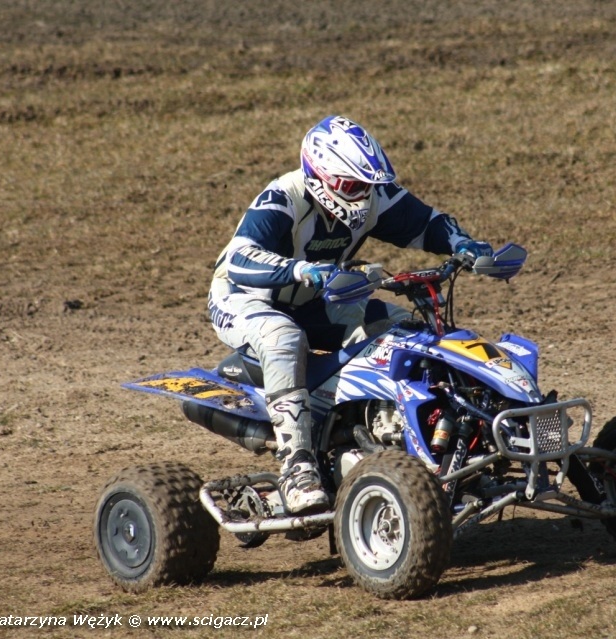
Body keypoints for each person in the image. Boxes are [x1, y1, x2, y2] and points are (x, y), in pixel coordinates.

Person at [208, 115, 493, 515]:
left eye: (366, 185)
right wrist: (299, 269)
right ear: (320, 176)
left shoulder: (375, 197)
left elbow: (427, 223)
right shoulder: (283, 198)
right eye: (351, 185)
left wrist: (463, 243)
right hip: (245, 298)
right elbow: (239, 258)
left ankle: (424, 446)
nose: (362, 195)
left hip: (315, 299)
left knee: (403, 330)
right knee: (283, 337)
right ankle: (297, 468)